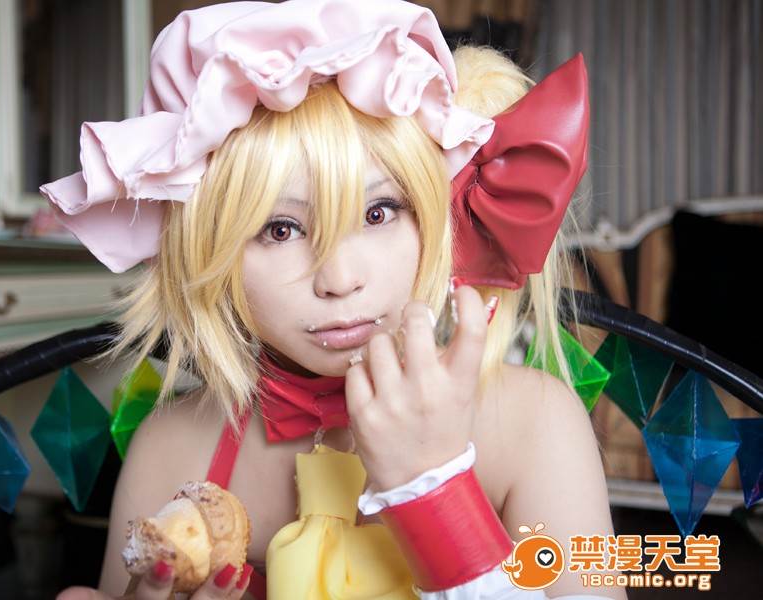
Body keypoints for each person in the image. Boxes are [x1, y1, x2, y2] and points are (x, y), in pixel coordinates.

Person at [41, 1, 625, 598]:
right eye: (280, 229)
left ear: (440, 218)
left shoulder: (535, 424)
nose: (339, 279)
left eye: (378, 212)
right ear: (210, 249)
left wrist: (435, 492)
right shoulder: (169, 448)